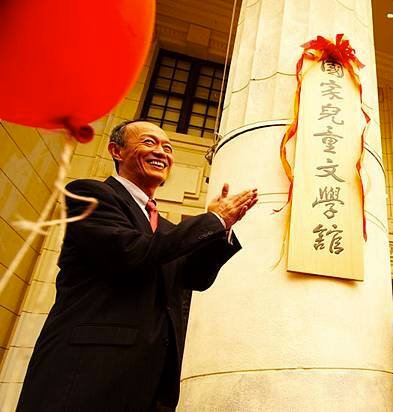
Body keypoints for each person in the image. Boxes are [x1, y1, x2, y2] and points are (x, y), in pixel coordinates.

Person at [17, 120, 258, 411]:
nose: (162, 152)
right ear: (116, 151)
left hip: (151, 380)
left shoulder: (165, 228)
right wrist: (212, 221)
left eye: (167, 147)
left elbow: (195, 277)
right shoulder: (89, 195)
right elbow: (130, 252)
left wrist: (222, 228)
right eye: (149, 142)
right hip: (88, 371)